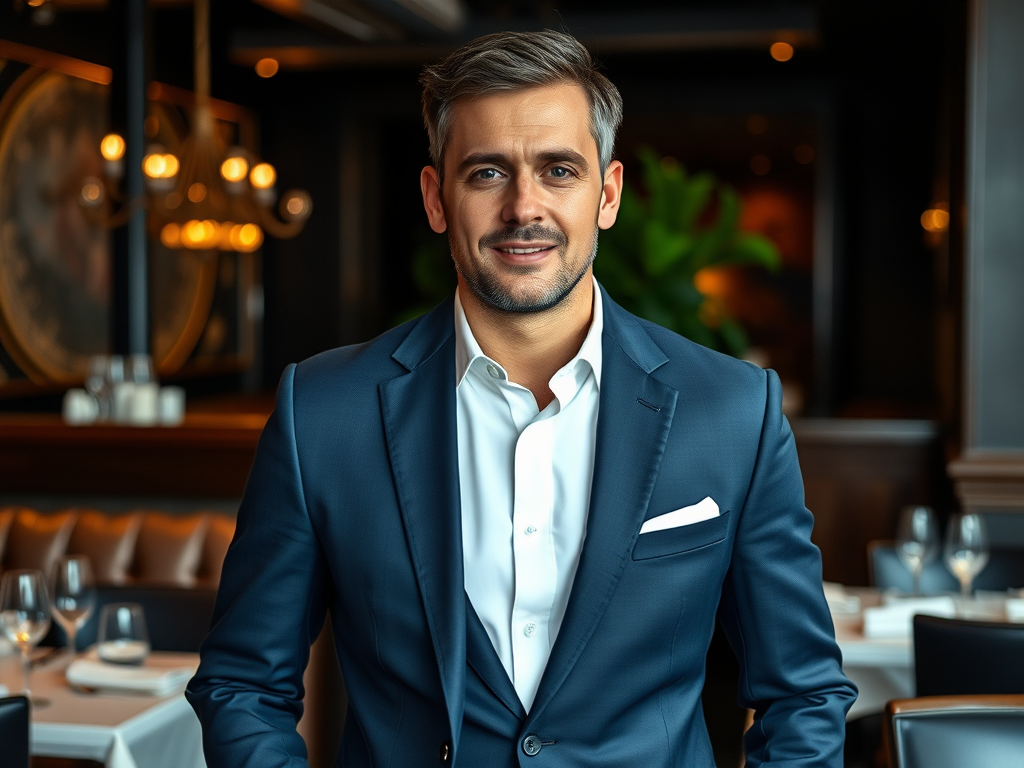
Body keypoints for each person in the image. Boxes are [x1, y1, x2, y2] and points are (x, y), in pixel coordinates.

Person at [187, 29, 857, 767]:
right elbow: (243, 682)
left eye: (559, 170)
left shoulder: (733, 411)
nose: (523, 207)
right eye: (486, 173)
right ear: (436, 199)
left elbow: (804, 695)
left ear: (607, 194)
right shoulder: (320, 411)